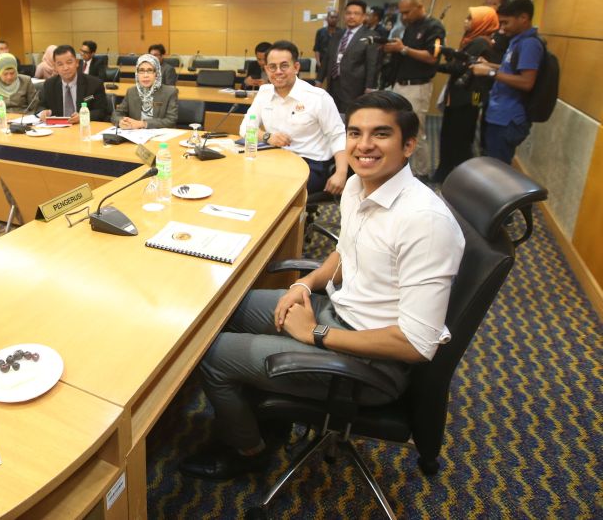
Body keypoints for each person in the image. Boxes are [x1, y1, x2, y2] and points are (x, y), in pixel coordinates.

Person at [180, 90, 465, 480]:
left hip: (372, 364)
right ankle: (268, 410)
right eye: (355, 133)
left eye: (380, 134)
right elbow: (347, 254)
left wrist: (316, 333)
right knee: (220, 311)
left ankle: (248, 450)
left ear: (409, 144)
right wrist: (305, 284)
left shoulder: (424, 222)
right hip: (338, 310)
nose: (364, 146)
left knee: (211, 355)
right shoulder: (358, 186)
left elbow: (417, 343)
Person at [240, 40, 348, 194]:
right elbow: (245, 128)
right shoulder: (264, 93)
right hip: (275, 158)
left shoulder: (318, 97)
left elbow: (338, 136)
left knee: (269, 188)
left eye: (284, 65)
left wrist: (341, 173)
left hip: (310, 164)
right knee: (241, 176)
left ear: (296, 67)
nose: (278, 71)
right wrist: (267, 136)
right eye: (272, 67)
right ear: (266, 69)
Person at [431, 6, 502, 184]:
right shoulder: (477, 40)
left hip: (466, 98)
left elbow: (460, 67)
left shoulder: (480, 42)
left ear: (482, 22)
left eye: (470, 19)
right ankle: (453, 172)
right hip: (467, 97)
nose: (466, 21)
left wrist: (435, 65)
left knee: (456, 136)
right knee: (459, 135)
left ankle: (452, 173)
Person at [382, 0, 446, 177]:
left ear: (419, 7)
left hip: (418, 87)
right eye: (401, 13)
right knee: (397, 128)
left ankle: (421, 172)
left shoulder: (434, 27)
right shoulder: (410, 27)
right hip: (400, 85)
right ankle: (402, 168)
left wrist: (403, 49)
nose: (404, 17)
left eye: (407, 12)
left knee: (415, 130)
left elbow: (432, 57)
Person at [472, 0, 542, 165]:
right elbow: (510, 70)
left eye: (506, 23)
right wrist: (490, 66)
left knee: (498, 169)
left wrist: (489, 73)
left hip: (508, 118)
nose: (502, 29)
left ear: (524, 18)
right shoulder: (517, 41)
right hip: (498, 114)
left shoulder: (529, 44)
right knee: (491, 163)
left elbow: (526, 82)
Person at [322, 0, 382, 115]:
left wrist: (370, 87)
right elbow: (327, 58)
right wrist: (319, 80)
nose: (351, 16)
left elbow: (372, 64)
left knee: (352, 115)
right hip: (334, 83)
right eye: (348, 13)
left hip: (355, 86)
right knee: (333, 114)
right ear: (344, 16)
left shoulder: (371, 36)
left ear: (364, 16)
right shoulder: (338, 34)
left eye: (356, 13)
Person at [39, 45, 108, 122]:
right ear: (55, 67)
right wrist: (43, 112)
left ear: (77, 63)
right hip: (58, 130)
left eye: (69, 62)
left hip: (84, 128)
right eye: (60, 64)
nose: (65, 68)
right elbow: (40, 106)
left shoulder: (94, 84)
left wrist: (83, 116)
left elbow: (102, 111)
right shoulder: (49, 85)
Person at [112, 54, 178, 129]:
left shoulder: (170, 92)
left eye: (149, 71)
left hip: (161, 136)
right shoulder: (131, 91)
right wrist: (121, 121)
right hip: (136, 135)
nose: (145, 75)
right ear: (137, 74)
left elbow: (171, 120)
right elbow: (116, 114)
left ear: (157, 73)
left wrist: (143, 124)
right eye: (141, 71)